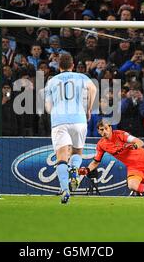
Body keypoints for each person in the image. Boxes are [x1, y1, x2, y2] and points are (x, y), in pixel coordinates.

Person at [44, 54, 97, 204]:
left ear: (58, 66)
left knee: (61, 157)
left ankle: (65, 190)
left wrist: (54, 110)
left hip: (59, 121)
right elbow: (93, 89)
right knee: (77, 152)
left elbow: (48, 106)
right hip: (79, 119)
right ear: (72, 65)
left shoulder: (52, 81)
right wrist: (88, 109)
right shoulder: (82, 77)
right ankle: (74, 169)